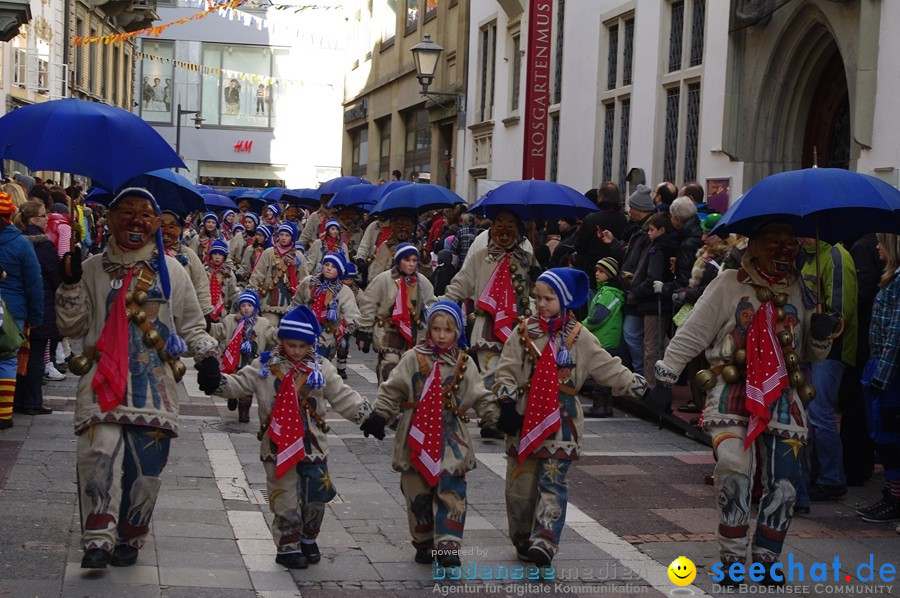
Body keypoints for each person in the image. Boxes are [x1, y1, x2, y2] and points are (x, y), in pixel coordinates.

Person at [646, 221, 836, 584]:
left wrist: (823, 333)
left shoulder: (804, 289)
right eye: (774, 243)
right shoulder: (728, 283)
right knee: (733, 467)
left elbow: (812, 351)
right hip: (732, 389)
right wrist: (666, 377)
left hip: (783, 395)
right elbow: (694, 332)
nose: (784, 251)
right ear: (755, 245)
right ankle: (732, 557)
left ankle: (767, 557)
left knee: (786, 481)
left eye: (790, 243)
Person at [55, 188, 218, 568]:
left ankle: (131, 533)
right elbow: (73, 326)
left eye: (145, 214)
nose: (135, 221)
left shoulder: (172, 269)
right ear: (109, 219)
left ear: (157, 223)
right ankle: (97, 537)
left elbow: (192, 325)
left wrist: (207, 355)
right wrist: (70, 284)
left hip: (153, 386)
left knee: (146, 470)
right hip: (101, 381)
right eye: (126, 212)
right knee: (97, 456)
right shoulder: (93, 267)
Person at [198, 304, 375, 569]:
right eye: (291, 345)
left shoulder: (321, 368)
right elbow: (238, 383)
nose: (296, 351)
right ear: (281, 341)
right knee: (284, 496)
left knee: (316, 496)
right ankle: (287, 545)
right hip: (277, 444)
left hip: (312, 445)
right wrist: (216, 382)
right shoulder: (265, 366)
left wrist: (368, 416)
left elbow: (343, 395)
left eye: (302, 346)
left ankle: (308, 537)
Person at [493, 267, 648, 566]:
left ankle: (546, 541)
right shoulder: (522, 331)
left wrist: (640, 387)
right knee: (520, 488)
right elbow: (507, 369)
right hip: (524, 420)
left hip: (562, 424)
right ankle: (523, 537)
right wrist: (507, 404)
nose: (541, 304)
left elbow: (608, 367)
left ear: (564, 301)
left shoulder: (581, 337)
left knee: (553, 482)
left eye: (548, 298)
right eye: (537, 297)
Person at [361, 301, 499, 566]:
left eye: (447, 330)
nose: (441, 335)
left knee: (452, 488)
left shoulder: (464, 362)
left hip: (450, 438)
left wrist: (495, 417)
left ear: (457, 332)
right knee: (417, 491)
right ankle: (424, 541)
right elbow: (393, 389)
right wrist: (380, 414)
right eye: (435, 329)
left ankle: (448, 543)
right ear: (428, 330)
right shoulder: (413, 357)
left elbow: (479, 393)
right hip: (416, 434)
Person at [797, 236, 858, 501]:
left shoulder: (835, 255)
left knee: (821, 413)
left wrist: (830, 319)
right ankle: (818, 473)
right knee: (812, 412)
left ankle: (832, 478)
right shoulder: (808, 256)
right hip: (813, 346)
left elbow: (843, 308)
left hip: (832, 348)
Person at [856, 232, 900, 523]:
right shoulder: (893, 278)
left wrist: (879, 377)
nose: (876, 247)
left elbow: (896, 334)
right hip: (883, 366)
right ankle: (891, 493)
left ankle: (895, 498)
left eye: (882, 242)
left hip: (890, 372)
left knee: (890, 437)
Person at [356, 243, 435, 384]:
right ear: (398, 260)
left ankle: (402, 403)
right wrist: (364, 330)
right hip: (387, 332)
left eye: (414, 260)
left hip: (413, 334)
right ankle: (385, 401)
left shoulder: (422, 283)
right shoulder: (384, 279)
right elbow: (369, 303)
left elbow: (431, 305)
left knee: (411, 374)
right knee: (390, 367)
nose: (411, 264)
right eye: (407, 260)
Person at [0, 192, 43, 429]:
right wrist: (36, 316)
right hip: (13, 311)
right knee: (7, 358)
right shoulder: (21, 244)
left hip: (12, 307)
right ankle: (4, 413)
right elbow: (34, 283)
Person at [12, 200, 58, 415]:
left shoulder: (15, 240)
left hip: (16, 307)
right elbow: (54, 276)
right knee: (36, 355)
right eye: (43, 215)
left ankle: (15, 399)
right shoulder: (43, 244)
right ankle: (31, 402)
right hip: (40, 304)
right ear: (33, 219)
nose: (47, 218)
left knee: (17, 354)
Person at [290, 252, 360, 380]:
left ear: (339, 271)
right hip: (304, 331)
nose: (328, 268)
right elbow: (296, 304)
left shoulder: (344, 291)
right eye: (326, 264)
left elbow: (352, 315)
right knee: (299, 366)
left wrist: (353, 331)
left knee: (319, 368)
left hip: (326, 336)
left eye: (333, 267)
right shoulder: (308, 282)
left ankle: (315, 391)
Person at [628, 211, 679, 386]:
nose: (648, 233)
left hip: (653, 303)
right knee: (661, 343)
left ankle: (651, 384)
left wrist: (636, 289)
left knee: (651, 346)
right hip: (657, 301)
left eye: (651, 229)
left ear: (661, 230)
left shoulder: (657, 249)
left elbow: (652, 278)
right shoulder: (663, 247)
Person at [208, 290, 275, 423]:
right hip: (234, 361)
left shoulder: (262, 323)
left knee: (248, 387)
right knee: (234, 383)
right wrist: (206, 326)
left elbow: (271, 336)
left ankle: (244, 411)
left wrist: (283, 334)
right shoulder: (231, 320)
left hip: (251, 362)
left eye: (249, 306)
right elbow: (219, 330)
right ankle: (232, 398)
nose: (246, 309)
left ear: (255, 307)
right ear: (239, 307)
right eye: (243, 305)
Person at [581, 257, 625, 417]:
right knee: (605, 372)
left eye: (601, 271)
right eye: (596, 271)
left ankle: (599, 406)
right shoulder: (605, 291)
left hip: (605, 339)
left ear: (610, 274)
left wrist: (581, 326)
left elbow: (597, 318)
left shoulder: (608, 294)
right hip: (606, 337)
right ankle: (605, 406)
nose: (597, 274)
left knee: (600, 373)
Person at [247, 222, 310, 326]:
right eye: (281, 235)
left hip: (291, 303)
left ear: (292, 238)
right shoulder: (269, 252)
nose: (283, 238)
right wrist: (251, 291)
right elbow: (258, 274)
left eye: (287, 235)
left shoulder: (298, 257)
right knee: (270, 327)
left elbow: (303, 280)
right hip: (268, 303)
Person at [205, 239, 238, 322]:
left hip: (223, 313)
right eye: (214, 254)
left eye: (220, 254)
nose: (217, 257)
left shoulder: (228, 273)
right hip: (206, 311)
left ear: (224, 257)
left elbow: (233, 294)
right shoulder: (204, 271)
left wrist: (231, 313)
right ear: (210, 255)